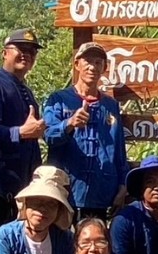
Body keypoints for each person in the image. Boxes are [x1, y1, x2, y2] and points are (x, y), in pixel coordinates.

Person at [43, 42, 128, 218]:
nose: (92, 67)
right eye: (88, 61)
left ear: (105, 68)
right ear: (77, 65)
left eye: (98, 63)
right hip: (66, 192)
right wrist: (69, 124)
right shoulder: (59, 99)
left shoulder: (110, 106)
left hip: (102, 194)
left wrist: (122, 186)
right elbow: (48, 136)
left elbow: (119, 151)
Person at [0, 28, 46, 198]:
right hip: (1, 177)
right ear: (4, 53)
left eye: (32, 51)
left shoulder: (26, 90)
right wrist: (20, 132)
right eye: (21, 49)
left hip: (25, 178)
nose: (27, 54)